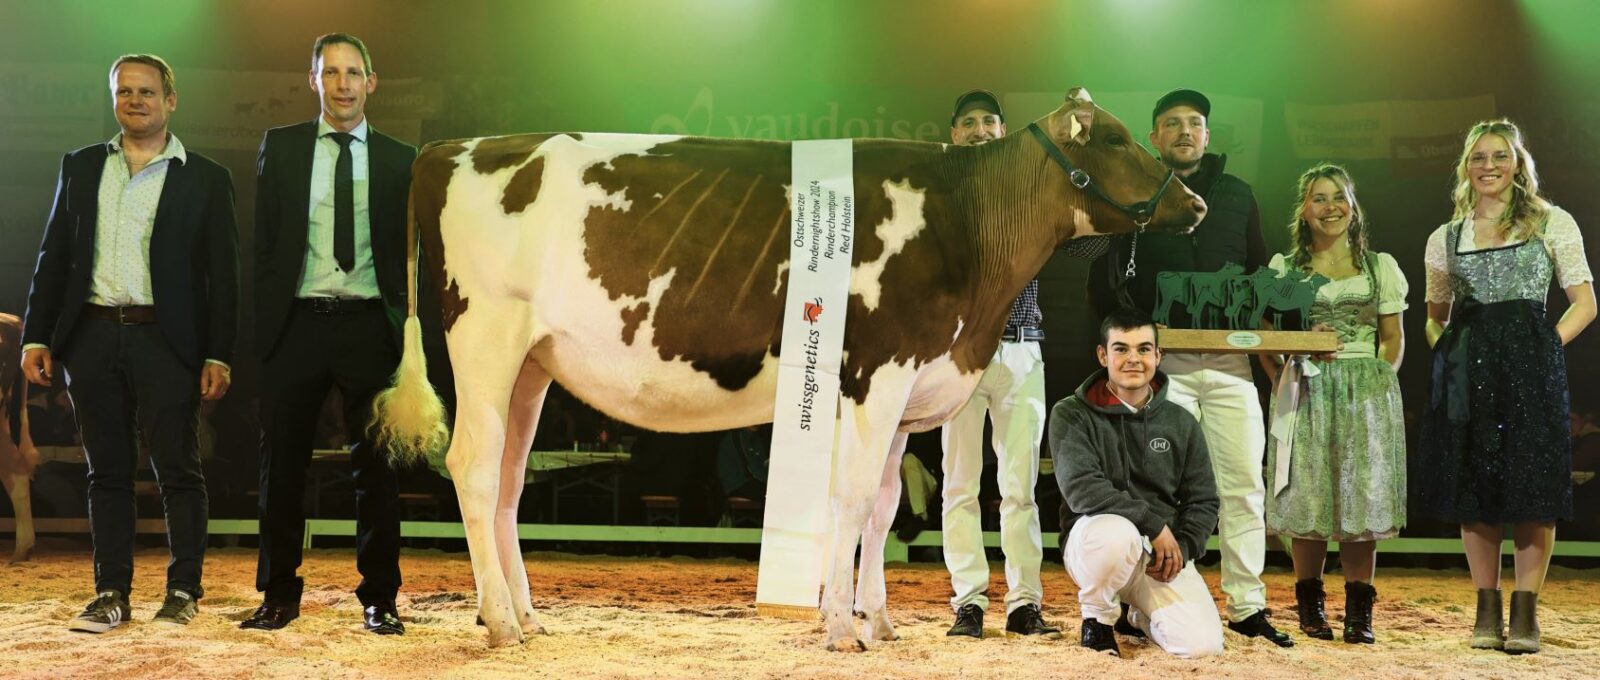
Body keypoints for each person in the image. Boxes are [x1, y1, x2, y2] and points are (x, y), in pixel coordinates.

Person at [21, 54, 238, 632]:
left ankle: (183, 589)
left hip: (168, 342)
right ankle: (111, 592)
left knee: (178, 470)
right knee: (107, 472)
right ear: (113, 99)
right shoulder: (82, 165)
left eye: (146, 91)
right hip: (91, 336)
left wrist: (219, 352)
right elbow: (53, 259)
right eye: (124, 92)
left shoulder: (207, 177)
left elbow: (225, 275)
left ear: (171, 100)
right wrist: (36, 335)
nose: (135, 101)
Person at [1087, 88, 1290, 646]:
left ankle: (1248, 605)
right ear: (1153, 137)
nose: (1183, 131)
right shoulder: (1134, 195)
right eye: (1171, 123)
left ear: (1206, 135)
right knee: (1158, 489)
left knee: (1245, 485)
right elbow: (1103, 282)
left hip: (1230, 366)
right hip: (1162, 370)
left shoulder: (1239, 195)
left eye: (1194, 123)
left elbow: (1256, 274)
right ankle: (1159, 592)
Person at [244, 33, 418, 635]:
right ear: (313, 80)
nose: (342, 84)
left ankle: (380, 598)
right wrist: (262, 330)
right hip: (296, 323)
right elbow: (264, 244)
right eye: (331, 72)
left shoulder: (403, 158)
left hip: (371, 324)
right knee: (281, 467)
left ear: (372, 82)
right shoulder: (282, 147)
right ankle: (278, 594)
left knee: (377, 469)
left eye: (353, 73)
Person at [1419, 118, 1595, 655]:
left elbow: (1586, 303)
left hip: (1532, 372)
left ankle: (1525, 614)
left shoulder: (1551, 221)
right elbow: (1434, 318)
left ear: (1517, 163)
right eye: (1479, 158)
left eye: (1499, 156)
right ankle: (1486, 608)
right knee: (1476, 490)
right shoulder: (1445, 236)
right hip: (1469, 377)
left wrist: (1545, 347)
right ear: (1466, 167)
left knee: (1532, 489)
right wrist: (1450, 360)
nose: (1489, 166)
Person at [939, 88, 1104, 640]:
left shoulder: (1031, 188)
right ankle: (968, 602)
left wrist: (1081, 161)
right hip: (956, 352)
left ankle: (1023, 603)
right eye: (970, 122)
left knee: (1020, 484)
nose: (981, 129)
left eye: (990, 121)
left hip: (1021, 343)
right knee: (959, 482)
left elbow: (1087, 247)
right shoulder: (939, 189)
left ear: (1003, 131)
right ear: (955, 134)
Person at [1260, 164, 1407, 644]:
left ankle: (1360, 612)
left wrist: (1378, 383)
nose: (1330, 207)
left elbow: (1392, 340)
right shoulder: (1284, 269)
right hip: (1305, 387)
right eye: (1319, 199)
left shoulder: (1378, 266)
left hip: (1363, 388)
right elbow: (1264, 338)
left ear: (1353, 205)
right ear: (1304, 210)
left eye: (1339, 197)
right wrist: (1283, 375)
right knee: (1307, 493)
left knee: (1359, 498)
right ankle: (1310, 606)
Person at [1051, 307, 1223, 659]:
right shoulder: (1070, 413)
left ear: (1159, 356)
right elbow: (1081, 488)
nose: (1134, 359)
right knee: (1119, 533)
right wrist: (1154, 524)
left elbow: (1203, 500)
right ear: (1103, 355)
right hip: (1096, 544)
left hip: (1155, 554)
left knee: (1201, 647)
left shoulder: (1181, 422)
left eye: (1144, 349)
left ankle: (1135, 616)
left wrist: (1184, 550)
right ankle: (1097, 620)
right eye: (1121, 349)